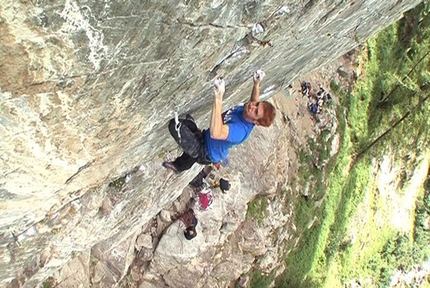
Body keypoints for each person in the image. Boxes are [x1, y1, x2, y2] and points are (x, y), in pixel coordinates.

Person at [163, 70, 276, 173]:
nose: (252, 106)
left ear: (256, 122)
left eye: (256, 111)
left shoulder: (240, 131)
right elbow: (254, 100)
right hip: (206, 139)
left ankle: (180, 163)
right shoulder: (249, 111)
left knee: (175, 126)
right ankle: (179, 165)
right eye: (257, 105)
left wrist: (218, 97)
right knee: (190, 152)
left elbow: (216, 133)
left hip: (206, 152)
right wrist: (256, 84)